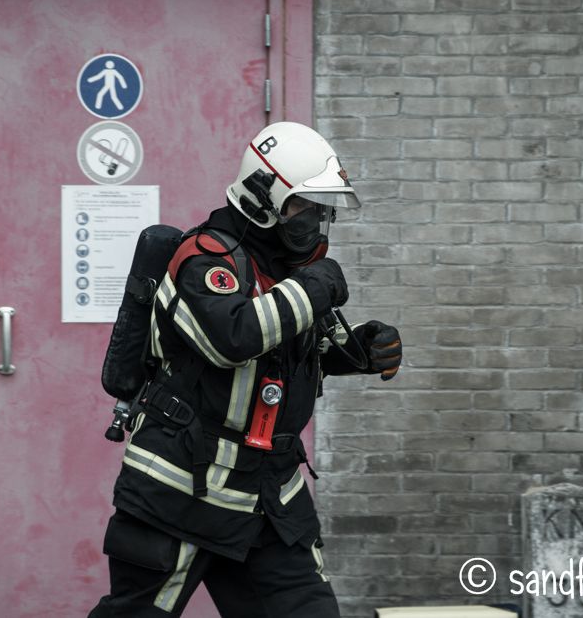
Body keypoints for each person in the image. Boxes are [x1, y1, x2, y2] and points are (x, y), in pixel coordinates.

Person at [89, 121, 403, 617]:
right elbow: (232, 338)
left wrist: (360, 350)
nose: (316, 221)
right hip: (178, 496)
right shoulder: (202, 260)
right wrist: (316, 286)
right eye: (305, 206)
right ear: (265, 197)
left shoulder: (288, 270)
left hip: (266, 501)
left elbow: (293, 348)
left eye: (322, 210)